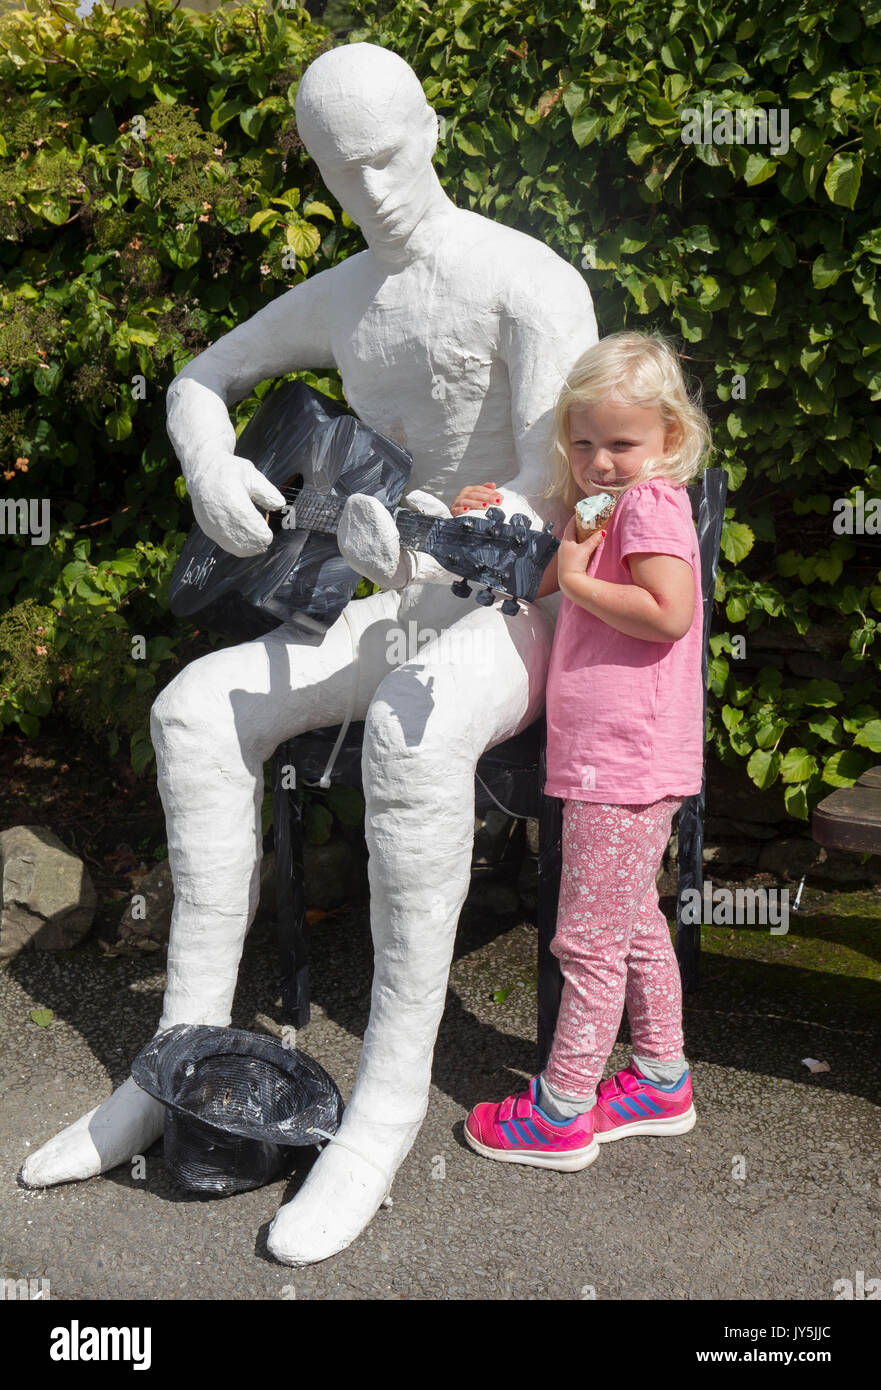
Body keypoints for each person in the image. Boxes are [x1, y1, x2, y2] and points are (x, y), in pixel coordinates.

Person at [20, 42, 598, 1264]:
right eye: (343, 172)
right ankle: (175, 1060)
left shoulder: (525, 282)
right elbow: (199, 375)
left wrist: (437, 551)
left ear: (433, 128)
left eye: (387, 156)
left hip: (505, 608)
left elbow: (557, 508)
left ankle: (385, 1097)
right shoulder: (345, 294)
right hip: (375, 594)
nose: (373, 191)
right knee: (192, 708)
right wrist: (207, 459)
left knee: (409, 727)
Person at [462, 331, 711, 1170]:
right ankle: (659, 1078)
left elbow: (668, 611)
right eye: (583, 442)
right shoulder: (602, 507)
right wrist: (486, 516)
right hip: (610, 756)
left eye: (620, 443)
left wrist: (576, 582)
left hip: (625, 759)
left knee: (586, 942)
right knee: (632, 924)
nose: (599, 460)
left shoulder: (649, 504)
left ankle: (561, 1111)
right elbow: (536, 573)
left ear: (668, 440)